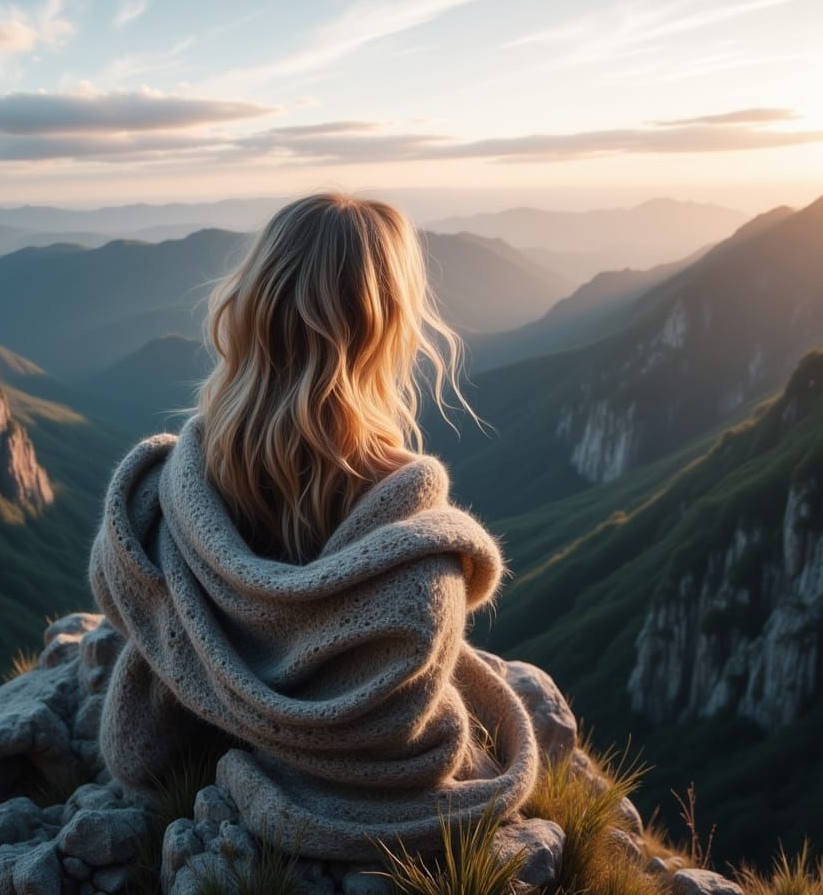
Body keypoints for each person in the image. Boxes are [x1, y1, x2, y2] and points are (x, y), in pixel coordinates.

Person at [89, 193, 539, 861]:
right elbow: (401, 724)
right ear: (388, 327)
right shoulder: (416, 558)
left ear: (253, 306)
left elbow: (121, 589)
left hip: (180, 748)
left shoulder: (165, 503)